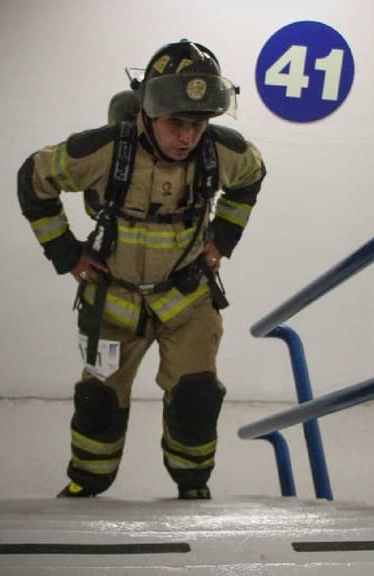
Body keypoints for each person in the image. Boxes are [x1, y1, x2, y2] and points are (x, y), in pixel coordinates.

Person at [16, 40, 265, 500]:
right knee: (98, 403)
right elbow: (33, 179)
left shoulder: (222, 152)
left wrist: (222, 240)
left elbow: (251, 176)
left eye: (198, 124)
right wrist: (67, 254)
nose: (188, 137)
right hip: (112, 303)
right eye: (177, 123)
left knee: (196, 398)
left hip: (187, 301)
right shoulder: (103, 151)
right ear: (148, 111)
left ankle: (192, 485)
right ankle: (86, 483)